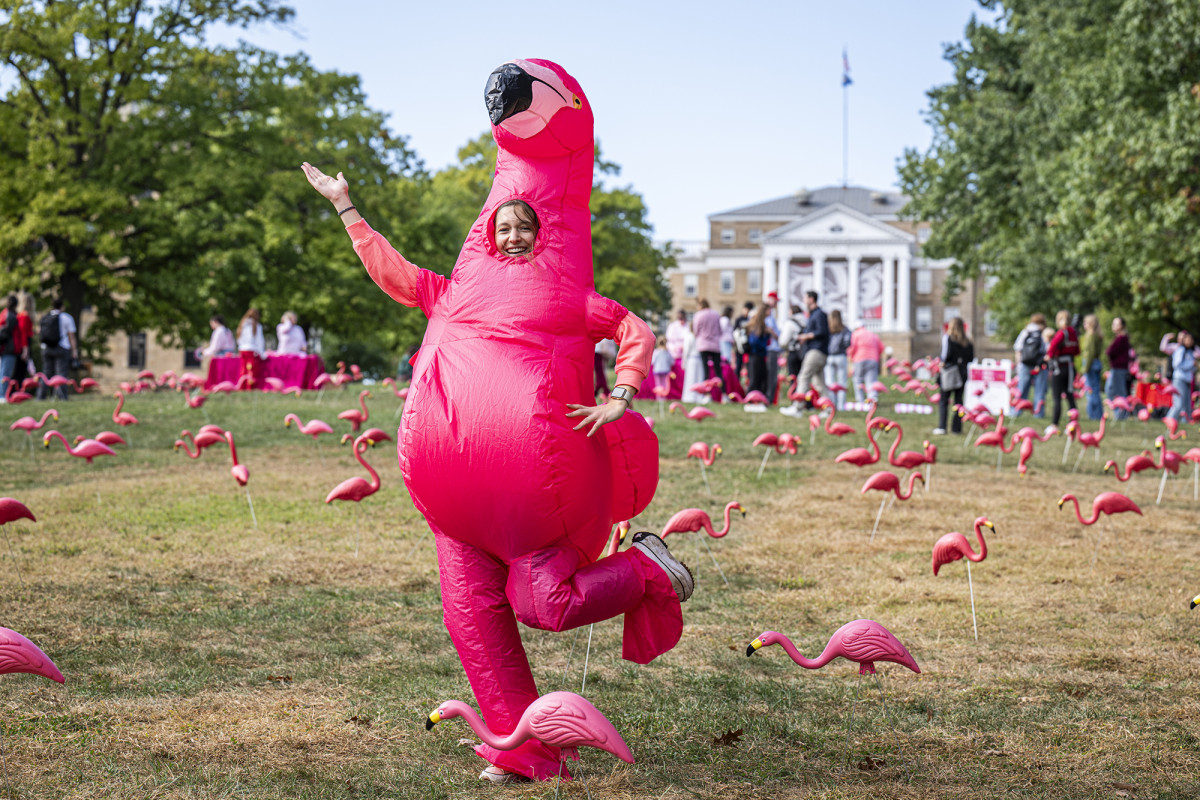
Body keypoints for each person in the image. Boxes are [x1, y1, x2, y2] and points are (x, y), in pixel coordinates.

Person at [300, 60, 688, 784]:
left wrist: (623, 394)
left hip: (537, 504)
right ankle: (525, 750)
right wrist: (347, 208)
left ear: (537, 233)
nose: (510, 234)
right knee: (470, 621)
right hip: (456, 510)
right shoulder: (450, 294)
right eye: (501, 225)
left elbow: (633, 328)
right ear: (488, 231)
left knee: (546, 604)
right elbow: (391, 270)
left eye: (521, 226)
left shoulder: (568, 300)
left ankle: (643, 570)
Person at [783, 290, 829, 415]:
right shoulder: (813, 314)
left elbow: (822, 332)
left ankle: (798, 407)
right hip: (817, 351)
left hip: (816, 351)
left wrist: (806, 336)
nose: (803, 301)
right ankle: (829, 408)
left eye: (804, 298)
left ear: (811, 299)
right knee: (819, 383)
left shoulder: (819, 314)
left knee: (803, 377)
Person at [934, 317, 974, 434]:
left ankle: (942, 427)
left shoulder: (948, 338)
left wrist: (943, 363)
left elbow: (946, 355)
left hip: (949, 373)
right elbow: (970, 358)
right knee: (958, 401)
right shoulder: (967, 342)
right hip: (962, 373)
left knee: (944, 400)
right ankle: (956, 428)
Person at [36, 298, 77, 401]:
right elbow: (71, 336)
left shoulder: (45, 317)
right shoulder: (67, 318)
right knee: (61, 373)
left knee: (46, 373)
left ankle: (41, 396)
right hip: (61, 348)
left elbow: (39, 332)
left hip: (46, 348)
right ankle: (63, 397)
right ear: (62, 306)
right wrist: (74, 351)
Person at [1045, 310, 1079, 427]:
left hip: (1059, 368)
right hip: (1070, 368)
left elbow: (1053, 346)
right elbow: (1077, 351)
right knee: (1070, 396)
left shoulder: (1062, 333)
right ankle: (1073, 423)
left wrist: (1049, 356)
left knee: (1057, 397)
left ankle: (1055, 423)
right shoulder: (1073, 333)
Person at [1012, 313, 1047, 418]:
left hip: (1025, 364)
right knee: (1039, 390)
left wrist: (1019, 364)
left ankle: (1015, 412)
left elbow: (1018, 348)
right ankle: (1038, 414)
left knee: (1021, 389)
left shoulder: (1025, 331)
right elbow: (1045, 349)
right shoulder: (1041, 333)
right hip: (1039, 365)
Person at [848, 319, 883, 402]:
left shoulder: (855, 334)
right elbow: (881, 348)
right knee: (871, 380)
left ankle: (860, 400)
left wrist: (851, 357)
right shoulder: (873, 335)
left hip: (859, 359)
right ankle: (873, 399)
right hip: (873, 359)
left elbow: (852, 348)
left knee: (858, 380)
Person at [824, 309, 852, 410]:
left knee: (829, 382)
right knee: (842, 383)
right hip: (840, 356)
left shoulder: (828, 329)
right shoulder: (845, 329)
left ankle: (831, 404)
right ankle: (841, 406)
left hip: (829, 356)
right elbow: (848, 342)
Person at [744, 305, 773, 398]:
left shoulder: (763, 324)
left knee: (762, 378)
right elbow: (754, 341)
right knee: (754, 378)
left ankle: (760, 398)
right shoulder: (758, 324)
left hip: (760, 355)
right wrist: (766, 336)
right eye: (769, 310)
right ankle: (751, 399)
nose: (771, 312)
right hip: (755, 354)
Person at [691, 298, 722, 387]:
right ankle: (723, 394)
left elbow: (695, 331)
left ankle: (707, 394)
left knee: (705, 370)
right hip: (715, 345)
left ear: (700, 305)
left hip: (703, 344)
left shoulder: (698, 315)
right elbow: (720, 330)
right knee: (718, 370)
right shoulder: (716, 314)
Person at [1079, 314, 1104, 420]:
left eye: (1085, 323)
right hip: (1097, 363)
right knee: (1096, 390)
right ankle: (1098, 414)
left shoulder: (1090, 335)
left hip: (1091, 364)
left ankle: (1093, 415)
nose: (1084, 325)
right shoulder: (1098, 335)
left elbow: (1090, 353)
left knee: (1090, 390)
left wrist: (1085, 368)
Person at [1106, 317, 1131, 420]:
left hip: (1119, 368)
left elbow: (1111, 351)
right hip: (1117, 368)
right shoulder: (1119, 338)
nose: (1114, 326)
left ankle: (1122, 414)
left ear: (1122, 326)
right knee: (1110, 389)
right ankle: (1120, 413)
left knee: (1118, 391)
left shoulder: (1122, 339)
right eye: (1113, 324)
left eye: (1116, 324)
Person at [236, 308, 265, 389]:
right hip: (251, 349)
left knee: (243, 368)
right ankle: (250, 386)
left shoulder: (242, 324)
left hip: (242, 349)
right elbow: (259, 340)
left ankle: (242, 386)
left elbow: (239, 339)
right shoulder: (256, 326)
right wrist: (261, 352)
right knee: (251, 368)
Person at [780, 303, 805, 393]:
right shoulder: (806, 321)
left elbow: (783, 341)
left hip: (793, 352)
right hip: (804, 352)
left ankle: (795, 398)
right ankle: (804, 398)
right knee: (803, 378)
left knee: (793, 377)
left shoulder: (790, 323)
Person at [1170, 330, 1195, 422]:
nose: (1189, 341)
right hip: (1179, 379)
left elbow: (1192, 367)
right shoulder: (1181, 350)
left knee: (1186, 404)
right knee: (1178, 403)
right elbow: (1177, 364)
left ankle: (1185, 422)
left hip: (1187, 379)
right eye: (1187, 339)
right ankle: (1170, 420)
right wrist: (1190, 364)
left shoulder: (1190, 352)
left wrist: (1194, 366)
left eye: (1190, 340)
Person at [0, 295, 20, 400]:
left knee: (3, 372)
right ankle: (3, 396)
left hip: (5, 348)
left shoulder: (4, 314)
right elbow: (6, 332)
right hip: (8, 348)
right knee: (5, 373)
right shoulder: (10, 316)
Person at [763, 292, 782, 402]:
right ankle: (768, 399)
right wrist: (777, 336)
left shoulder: (771, 316)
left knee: (772, 376)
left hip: (772, 349)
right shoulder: (767, 317)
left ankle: (770, 399)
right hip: (770, 349)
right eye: (775, 301)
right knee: (771, 376)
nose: (776, 304)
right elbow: (771, 331)